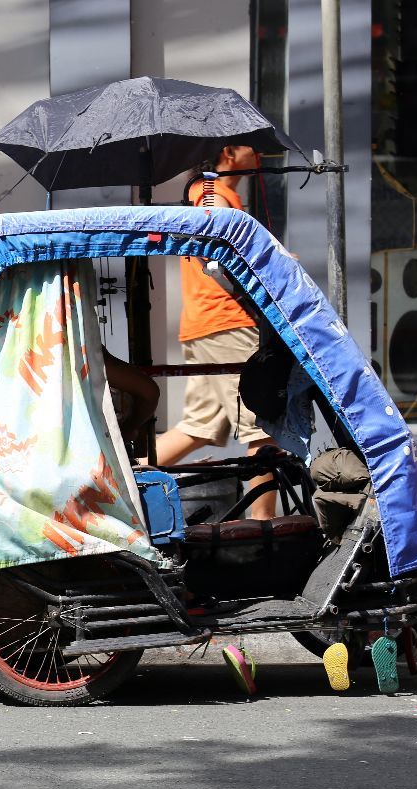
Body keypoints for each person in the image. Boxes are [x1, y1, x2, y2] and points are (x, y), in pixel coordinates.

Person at [155, 145, 277, 520]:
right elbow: (226, 257)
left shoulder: (204, 192)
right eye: (250, 145)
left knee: (198, 428)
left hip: (205, 324)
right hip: (227, 323)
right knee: (261, 430)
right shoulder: (213, 196)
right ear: (229, 151)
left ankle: (118, 483)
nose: (260, 152)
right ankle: (264, 526)